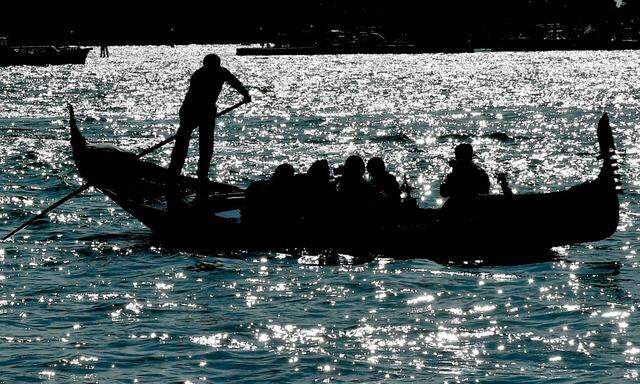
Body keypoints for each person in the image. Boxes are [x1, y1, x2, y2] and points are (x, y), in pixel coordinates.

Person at [167, 53, 251, 208]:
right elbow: (195, 96)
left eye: (215, 66)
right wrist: (195, 120)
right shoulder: (198, 75)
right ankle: (174, 175)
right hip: (191, 110)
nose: (212, 68)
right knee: (182, 143)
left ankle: (202, 177)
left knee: (206, 146)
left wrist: (245, 94)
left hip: (208, 112)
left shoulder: (222, 72)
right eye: (210, 66)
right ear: (205, 65)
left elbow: (235, 82)